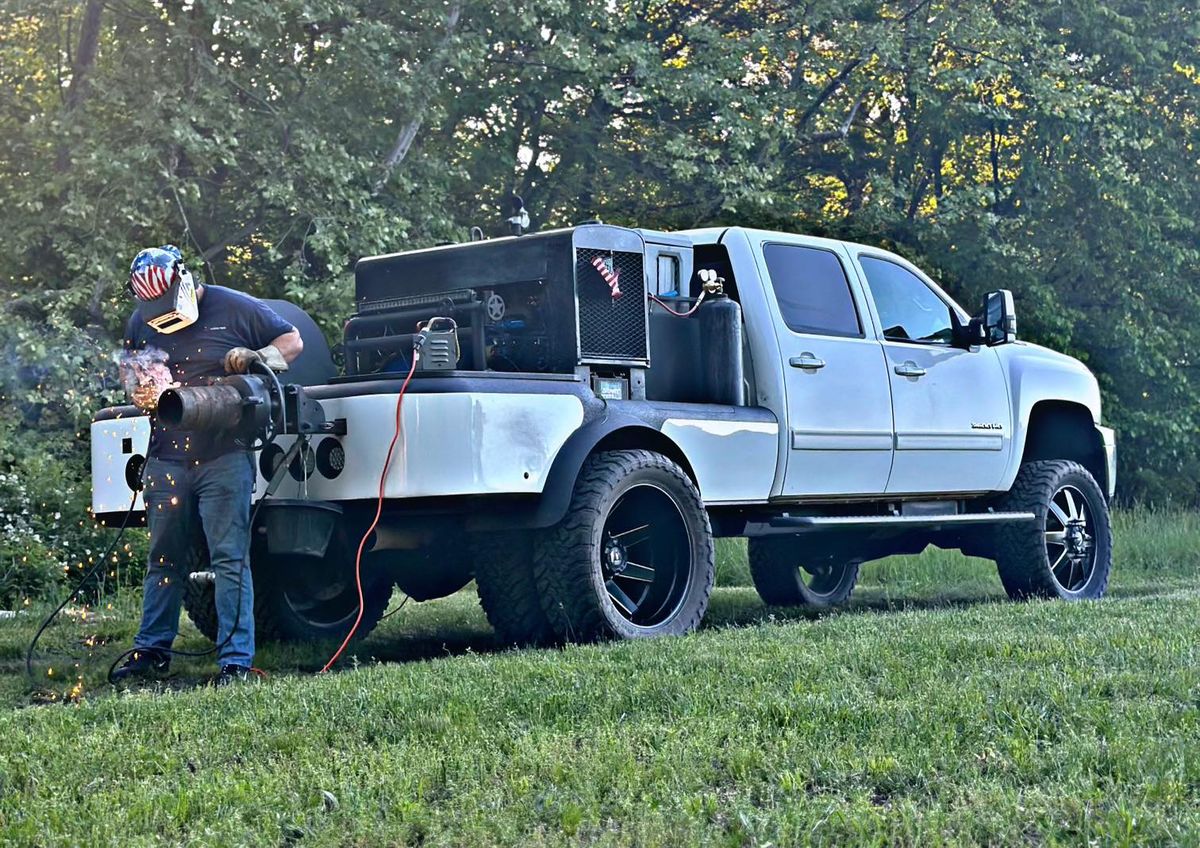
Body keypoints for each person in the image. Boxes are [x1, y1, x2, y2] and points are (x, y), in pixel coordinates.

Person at [111, 245, 303, 685]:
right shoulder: (141, 320)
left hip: (224, 455)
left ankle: (235, 662)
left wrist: (255, 359)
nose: (159, 314)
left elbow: (293, 342)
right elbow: (131, 373)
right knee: (163, 558)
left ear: (183, 282)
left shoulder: (233, 306)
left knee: (229, 559)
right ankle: (151, 650)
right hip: (166, 458)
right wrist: (139, 389)